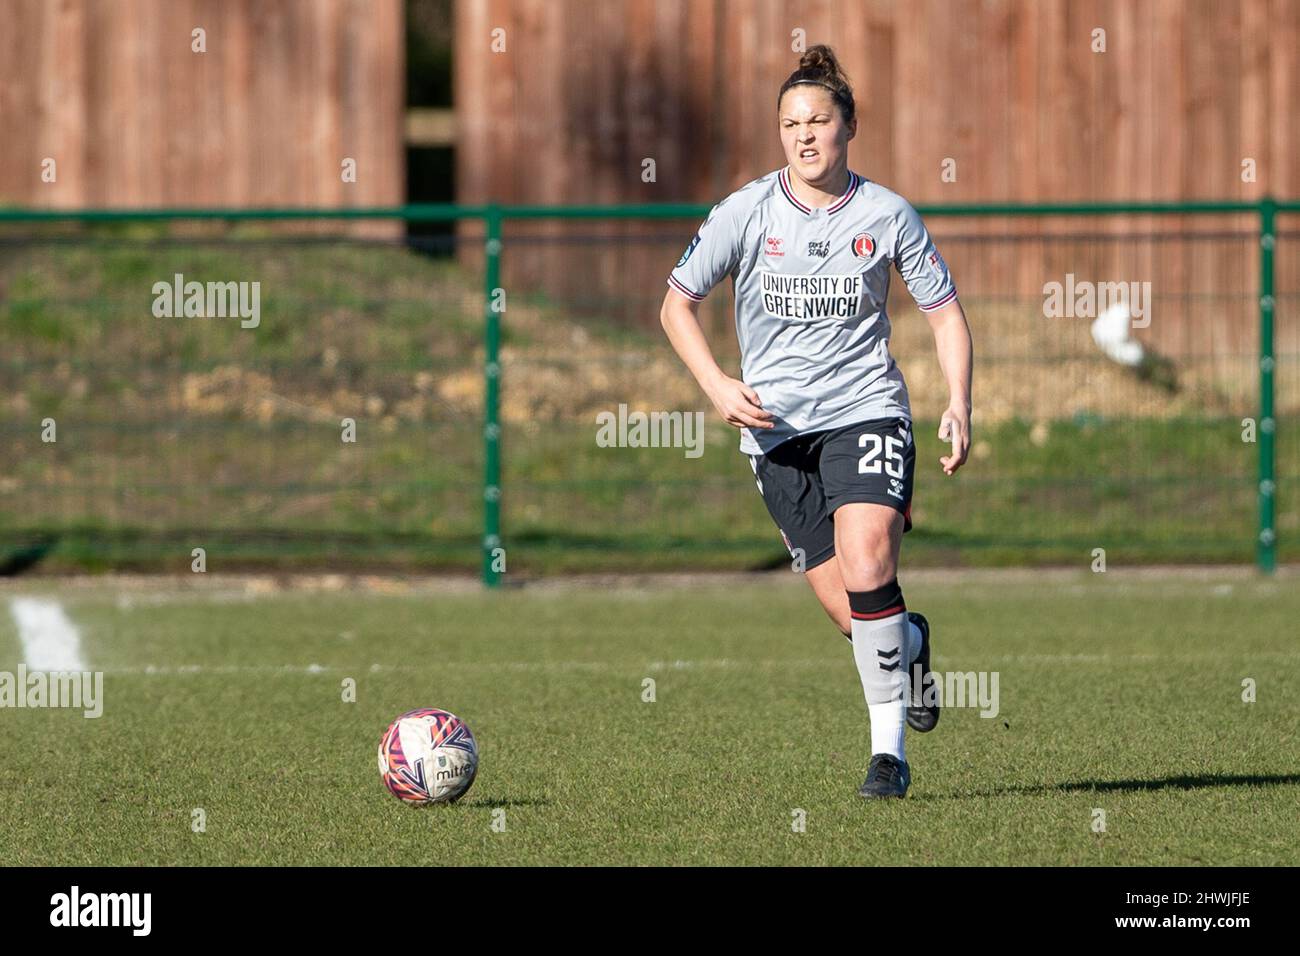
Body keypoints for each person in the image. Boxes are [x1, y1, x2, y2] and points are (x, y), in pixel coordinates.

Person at [659, 45, 973, 799]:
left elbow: (945, 314)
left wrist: (959, 400)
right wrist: (716, 385)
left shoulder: (888, 214)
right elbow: (676, 304)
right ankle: (913, 644)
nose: (803, 136)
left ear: (849, 127)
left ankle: (887, 759)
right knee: (852, 614)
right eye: (789, 124)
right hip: (775, 433)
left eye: (818, 121)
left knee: (869, 561)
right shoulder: (747, 210)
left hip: (866, 410)